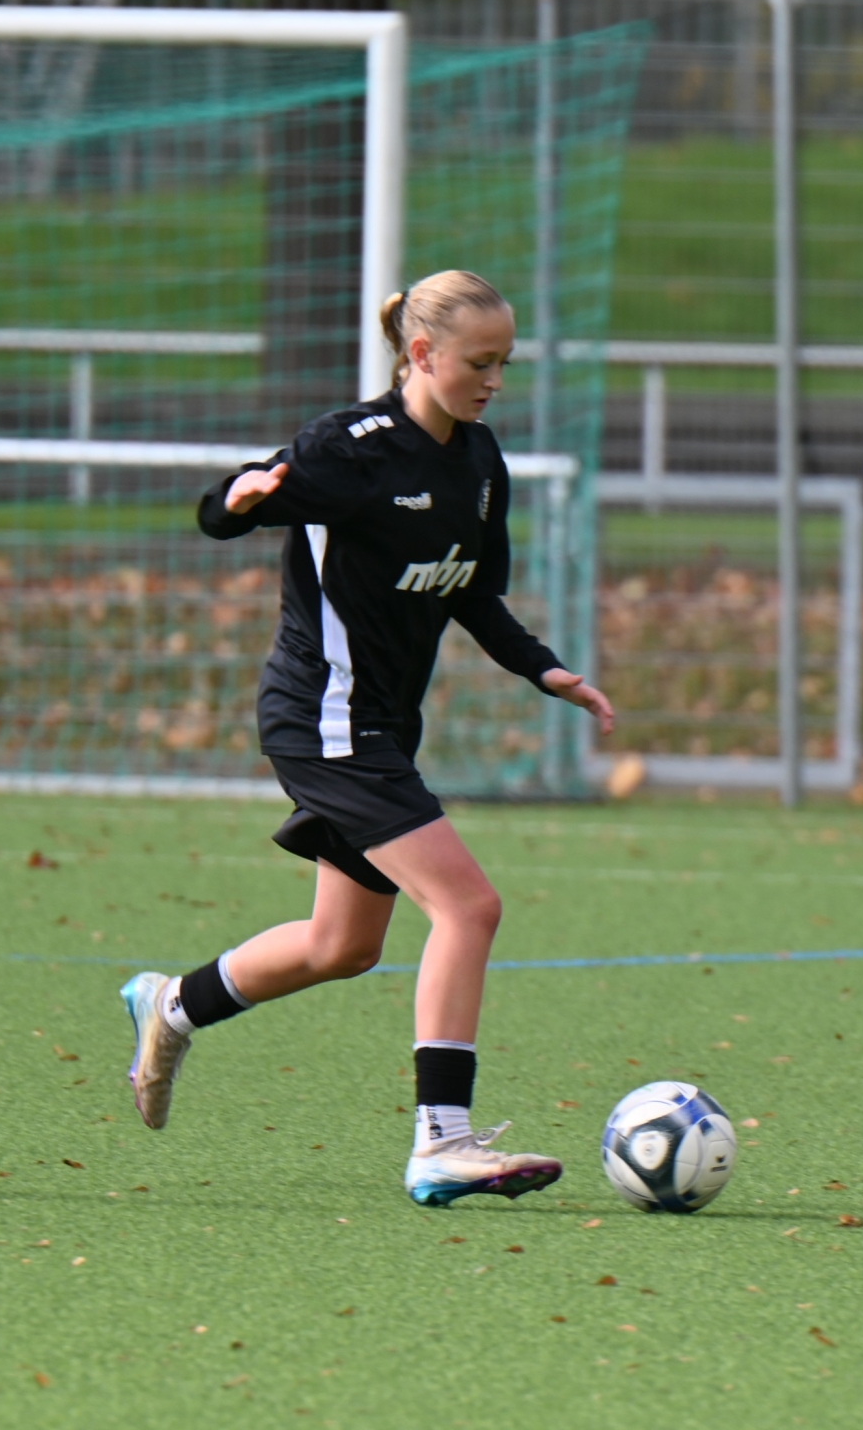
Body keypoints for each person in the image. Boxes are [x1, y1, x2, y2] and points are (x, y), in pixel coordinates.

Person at [119, 269, 614, 1204]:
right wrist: (238, 500)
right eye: (479, 361)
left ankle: (172, 1004)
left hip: (380, 724)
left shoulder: (478, 462)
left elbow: (473, 592)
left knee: (342, 944)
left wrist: (543, 669)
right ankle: (442, 1140)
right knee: (469, 907)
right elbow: (224, 511)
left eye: (504, 363)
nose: (493, 381)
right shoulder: (349, 450)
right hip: (324, 716)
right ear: (421, 354)